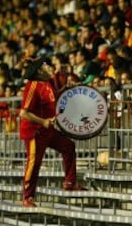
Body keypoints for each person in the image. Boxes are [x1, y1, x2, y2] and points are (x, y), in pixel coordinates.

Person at [19, 57, 85, 208]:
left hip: (47, 130)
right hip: (34, 131)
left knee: (68, 146)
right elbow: (24, 113)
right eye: (46, 66)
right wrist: (42, 121)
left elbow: (55, 97)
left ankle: (70, 182)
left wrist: (66, 89)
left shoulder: (47, 84)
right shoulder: (33, 85)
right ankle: (27, 197)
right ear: (38, 72)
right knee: (34, 163)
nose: (50, 68)